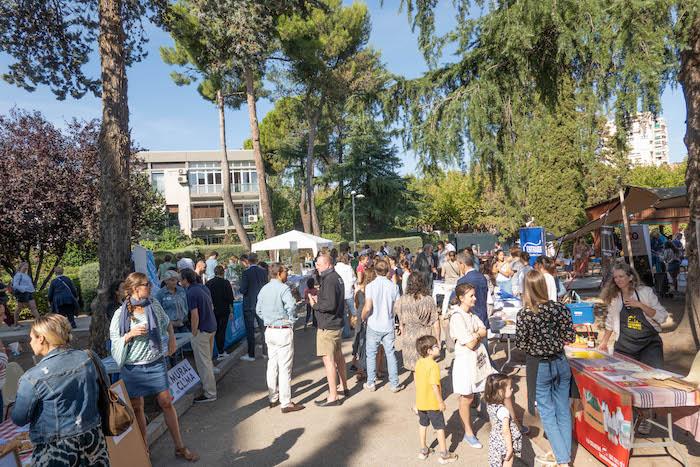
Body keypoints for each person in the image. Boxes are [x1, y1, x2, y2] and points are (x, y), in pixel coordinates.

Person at [110, 273, 198, 461]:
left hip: (156, 363)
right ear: (135, 288)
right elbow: (114, 340)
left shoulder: (153, 304)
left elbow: (167, 324)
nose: (151, 286)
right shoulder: (121, 313)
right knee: (137, 407)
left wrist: (172, 340)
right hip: (133, 368)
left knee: (166, 402)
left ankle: (180, 446)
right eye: (147, 284)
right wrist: (130, 334)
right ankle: (144, 451)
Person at [13, 315, 109, 466]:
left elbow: (19, 418)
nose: (30, 342)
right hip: (93, 440)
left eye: (31, 337)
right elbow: (105, 390)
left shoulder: (32, 377)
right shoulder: (89, 358)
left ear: (42, 339)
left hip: (56, 449)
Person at [516, 270, 575, 467]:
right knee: (563, 410)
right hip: (561, 362)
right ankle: (562, 454)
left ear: (528, 288)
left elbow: (521, 344)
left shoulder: (525, 314)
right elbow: (571, 337)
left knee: (548, 413)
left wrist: (538, 344)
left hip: (539, 365)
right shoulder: (560, 308)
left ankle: (563, 459)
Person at [255, 263, 305, 413]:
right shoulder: (283, 288)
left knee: (272, 365)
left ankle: (273, 397)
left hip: (270, 329)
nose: (287, 275)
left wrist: (268, 319)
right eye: (285, 272)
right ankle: (285, 401)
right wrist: (290, 320)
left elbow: (258, 310)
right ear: (279, 273)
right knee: (284, 368)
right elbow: (291, 306)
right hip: (282, 329)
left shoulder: (264, 289)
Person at [598, 262, 668, 367]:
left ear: (630, 277)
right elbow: (610, 321)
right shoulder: (615, 297)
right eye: (615, 277)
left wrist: (640, 305)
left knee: (653, 375)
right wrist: (604, 342)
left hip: (649, 344)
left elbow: (662, 317)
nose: (618, 280)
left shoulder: (646, 292)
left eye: (621, 276)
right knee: (624, 377)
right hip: (625, 346)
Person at [448, 283, 491, 449]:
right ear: (461, 298)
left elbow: (484, 330)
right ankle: (468, 432)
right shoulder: (457, 317)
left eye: (474, 295)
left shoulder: (471, 313)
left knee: (472, 395)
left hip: (476, 362)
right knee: (466, 397)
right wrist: (477, 334)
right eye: (471, 295)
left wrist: (476, 335)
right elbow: (472, 343)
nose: (475, 298)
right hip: (465, 362)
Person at [308, 253, 348, 406]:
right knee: (338, 357)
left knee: (329, 360)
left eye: (318, 264)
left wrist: (315, 304)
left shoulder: (330, 279)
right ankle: (343, 386)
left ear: (328, 264)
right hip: (335, 323)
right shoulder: (335, 277)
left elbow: (330, 305)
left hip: (328, 325)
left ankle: (333, 395)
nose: (316, 267)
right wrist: (321, 300)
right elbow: (332, 300)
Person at [361, 259, 404, 393]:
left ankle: (371, 382)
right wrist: (401, 324)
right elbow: (398, 308)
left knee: (371, 354)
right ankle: (394, 384)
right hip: (388, 323)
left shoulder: (370, 286)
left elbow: (368, 307)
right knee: (390, 354)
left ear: (375, 270)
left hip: (374, 323)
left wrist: (363, 317)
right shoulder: (394, 287)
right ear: (388, 271)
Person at [414, 335, 458, 464]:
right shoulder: (433, 365)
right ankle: (444, 454)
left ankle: (423, 449)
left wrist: (416, 401)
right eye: (436, 346)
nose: (439, 347)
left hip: (421, 402)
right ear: (429, 351)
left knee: (423, 424)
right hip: (432, 403)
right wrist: (440, 401)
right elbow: (434, 386)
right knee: (439, 427)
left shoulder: (419, 362)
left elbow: (417, 381)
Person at [180, 268, 218, 403]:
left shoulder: (190, 292)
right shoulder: (203, 288)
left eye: (181, 278)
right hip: (211, 326)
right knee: (207, 361)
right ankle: (210, 388)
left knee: (204, 363)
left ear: (185, 279)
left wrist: (194, 332)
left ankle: (210, 393)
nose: (180, 281)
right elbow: (211, 306)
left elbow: (194, 315)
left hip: (202, 329)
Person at [395, 274, 440, 371]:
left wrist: (403, 334)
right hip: (424, 337)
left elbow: (400, 320)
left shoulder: (403, 299)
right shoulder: (428, 299)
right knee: (426, 367)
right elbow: (436, 321)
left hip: (409, 336)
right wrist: (438, 339)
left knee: (415, 369)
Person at [484, 373, 522, 467]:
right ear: (501, 392)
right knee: (508, 461)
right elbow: (506, 431)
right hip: (505, 442)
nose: (512, 389)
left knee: (497, 461)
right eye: (509, 388)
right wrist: (509, 449)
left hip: (496, 439)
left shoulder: (490, 404)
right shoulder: (503, 411)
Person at [240, 253, 269, 361]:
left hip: (249, 304)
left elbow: (243, 289)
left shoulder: (246, 273)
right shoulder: (263, 272)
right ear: (257, 260)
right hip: (261, 303)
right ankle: (265, 352)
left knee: (250, 330)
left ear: (248, 261)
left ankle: (251, 354)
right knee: (263, 329)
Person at [352, 267, 376, 380]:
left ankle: (360, 369)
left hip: (360, 319)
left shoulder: (359, 291)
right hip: (369, 319)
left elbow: (356, 305)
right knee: (368, 345)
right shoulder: (373, 291)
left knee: (360, 344)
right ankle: (364, 369)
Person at [454, 253, 490, 329]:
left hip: (470, 321)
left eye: (458, 265)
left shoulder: (462, 281)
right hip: (483, 317)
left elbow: (457, 301)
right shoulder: (482, 277)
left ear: (462, 265)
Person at [207, 265, 234, 359]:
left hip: (213, 311)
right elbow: (230, 298)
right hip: (224, 310)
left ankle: (216, 351)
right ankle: (221, 351)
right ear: (223, 272)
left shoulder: (209, 283)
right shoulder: (226, 283)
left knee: (215, 331)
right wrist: (231, 311)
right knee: (221, 331)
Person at [334, 253, 357, 339]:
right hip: (349, 292)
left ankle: (346, 332)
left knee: (343, 313)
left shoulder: (335, 269)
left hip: (340, 294)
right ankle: (360, 327)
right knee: (354, 311)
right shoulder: (348, 267)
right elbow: (353, 279)